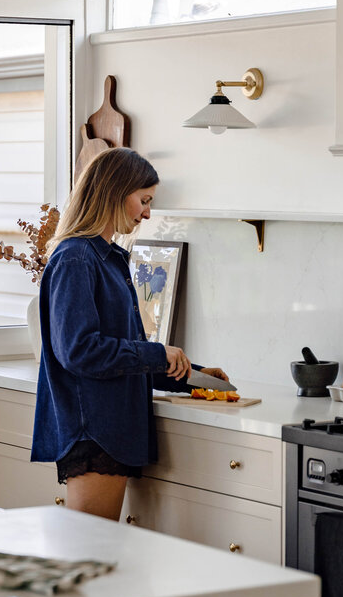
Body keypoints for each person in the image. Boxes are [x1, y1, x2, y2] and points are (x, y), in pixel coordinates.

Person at [31, 147, 228, 521]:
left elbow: (127, 353)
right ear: (114, 191)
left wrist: (192, 375)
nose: (148, 213)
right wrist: (158, 354)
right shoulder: (76, 258)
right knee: (91, 554)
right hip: (94, 430)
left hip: (110, 429)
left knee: (99, 553)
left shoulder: (109, 259)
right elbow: (80, 350)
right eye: (144, 200)